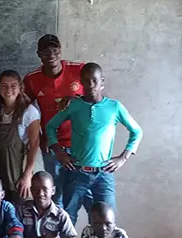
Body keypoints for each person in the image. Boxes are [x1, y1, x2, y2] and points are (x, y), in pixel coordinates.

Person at [46, 63, 143, 226]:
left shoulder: (114, 107)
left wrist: (123, 158)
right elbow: (50, 127)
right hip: (77, 172)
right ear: (80, 83)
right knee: (68, 220)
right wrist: (59, 152)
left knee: (106, 220)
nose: (90, 85)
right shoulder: (73, 106)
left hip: (104, 174)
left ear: (102, 82)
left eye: (94, 81)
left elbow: (137, 132)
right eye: (85, 81)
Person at [23, 34, 85, 209]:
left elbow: (97, 100)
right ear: (38, 54)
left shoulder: (79, 70)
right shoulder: (32, 79)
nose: (51, 54)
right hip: (53, 145)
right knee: (55, 194)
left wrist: (76, 100)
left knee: (79, 193)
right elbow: (26, 109)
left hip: (81, 143)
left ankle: (73, 233)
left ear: (60, 51)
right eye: (45, 51)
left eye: (54, 50)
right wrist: (40, 136)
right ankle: (55, 234)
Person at [0, 70, 41, 203]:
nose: (8, 90)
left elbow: (34, 144)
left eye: (13, 86)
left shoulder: (29, 112)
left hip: (16, 171)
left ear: (20, 88)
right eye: (4, 85)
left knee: (17, 207)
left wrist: (27, 175)